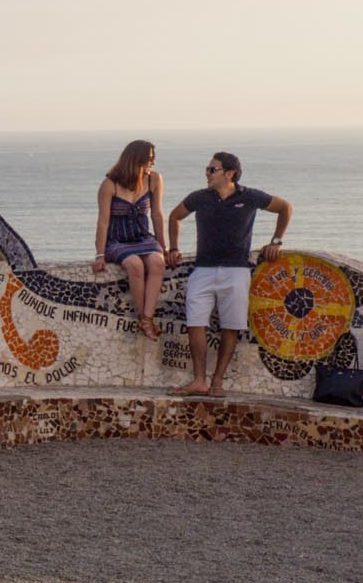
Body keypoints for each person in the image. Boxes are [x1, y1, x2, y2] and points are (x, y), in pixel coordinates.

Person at [164, 151, 294, 397]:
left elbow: (285, 208)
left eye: (212, 169)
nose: (207, 173)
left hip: (236, 270)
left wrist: (276, 241)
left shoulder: (250, 196)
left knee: (231, 326)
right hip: (203, 269)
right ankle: (199, 380)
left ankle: (218, 382)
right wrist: (173, 248)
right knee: (195, 323)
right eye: (207, 169)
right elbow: (175, 216)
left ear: (229, 173)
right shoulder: (200, 198)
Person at [91, 140, 170, 341]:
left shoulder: (154, 179)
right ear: (136, 159)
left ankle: (147, 318)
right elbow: (102, 222)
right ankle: (143, 317)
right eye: (149, 158)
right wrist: (100, 254)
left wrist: (163, 245)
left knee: (157, 262)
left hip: (143, 236)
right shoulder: (110, 185)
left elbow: (157, 215)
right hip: (117, 240)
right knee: (135, 265)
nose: (153, 161)